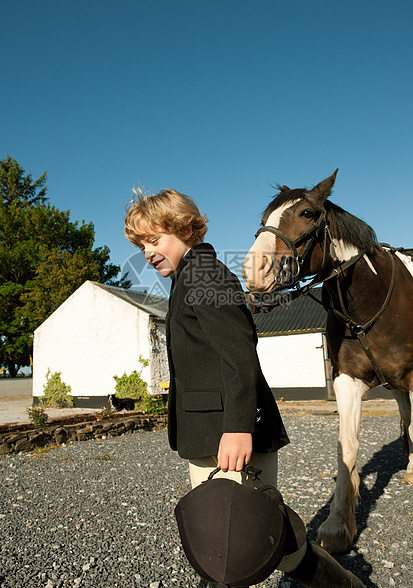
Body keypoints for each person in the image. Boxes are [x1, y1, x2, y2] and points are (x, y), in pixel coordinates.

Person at [124, 188, 365, 588]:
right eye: (140, 245)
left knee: (225, 547)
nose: (147, 252)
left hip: (228, 434)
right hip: (212, 432)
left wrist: (238, 427)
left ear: (185, 228)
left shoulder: (203, 273)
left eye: (154, 239)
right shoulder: (189, 276)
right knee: (266, 538)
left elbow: (238, 351)